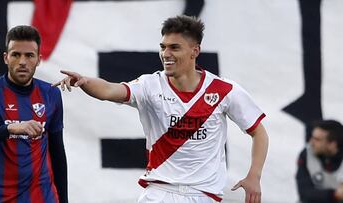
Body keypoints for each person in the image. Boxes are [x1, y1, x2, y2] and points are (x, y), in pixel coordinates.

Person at [54, 15, 269, 203]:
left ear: (195, 51)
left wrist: (254, 176)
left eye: (174, 47)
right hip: (159, 193)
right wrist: (84, 82)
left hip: (204, 195)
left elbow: (258, 132)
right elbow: (111, 90)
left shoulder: (223, 90)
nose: (166, 53)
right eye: (163, 47)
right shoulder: (149, 85)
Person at [0, 25, 67, 203]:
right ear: (6, 58)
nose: (22, 61)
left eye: (29, 55)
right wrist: (11, 128)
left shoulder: (50, 94)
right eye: (16, 54)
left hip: (42, 197)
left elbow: (57, 152)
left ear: (38, 59)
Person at [296, 120, 343, 203]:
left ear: (332, 144)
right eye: (312, 137)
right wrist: (334, 195)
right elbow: (304, 193)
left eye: (317, 139)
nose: (311, 142)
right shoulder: (307, 155)